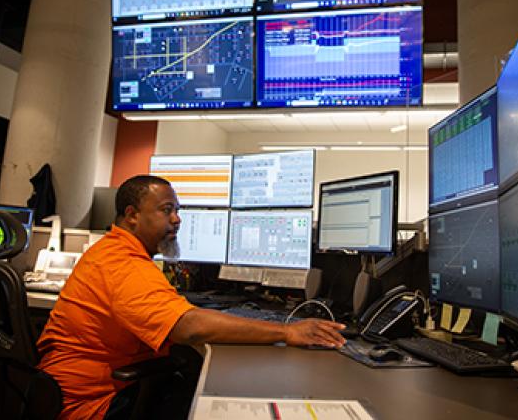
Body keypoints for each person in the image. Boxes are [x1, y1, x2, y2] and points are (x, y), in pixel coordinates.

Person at [37, 175, 346, 419]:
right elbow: (189, 327)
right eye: (166, 210)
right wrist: (287, 331)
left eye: (178, 211)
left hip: (86, 388)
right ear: (131, 215)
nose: (177, 220)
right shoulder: (122, 263)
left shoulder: (117, 252)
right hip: (92, 404)